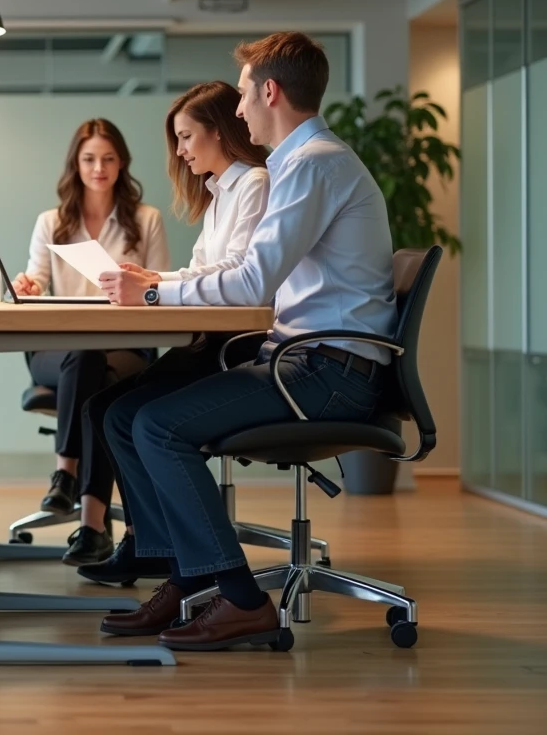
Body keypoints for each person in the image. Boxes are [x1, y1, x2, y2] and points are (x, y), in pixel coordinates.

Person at [95, 32, 397, 651]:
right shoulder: (298, 164)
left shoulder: (312, 165)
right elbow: (246, 274)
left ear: (270, 92)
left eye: (242, 94)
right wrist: (158, 285)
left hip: (327, 372)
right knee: (126, 413)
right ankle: (187, 578)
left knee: (156, 425)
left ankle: (240, 599)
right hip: (306, 361)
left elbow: (253, 281)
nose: (238, 109)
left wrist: (152, 295)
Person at [71, 82, 271, 574]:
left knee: (122, 413)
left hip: (235, 348)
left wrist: (154, 288)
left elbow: (240, 276)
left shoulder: (254, 184)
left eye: (185, 137)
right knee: (102, 407)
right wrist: (154, 277)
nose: (180, 151)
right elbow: (203, 269)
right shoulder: (220, 192)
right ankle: (149, 545)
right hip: (211, 341)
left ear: (218, 132)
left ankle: (160, 551)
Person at [10, 118, 170, 566]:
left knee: (101, 378)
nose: (99, 168)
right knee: (87, 360)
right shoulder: (51, 222)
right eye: (89, 159)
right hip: (58, 351)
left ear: (122, 164)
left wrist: (141, 286)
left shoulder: (147, 220)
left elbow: (163, 289)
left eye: (108, 158)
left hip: (127, 347)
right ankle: (96, 526)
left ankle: (70, 484)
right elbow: (36, 279)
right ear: (75, 165)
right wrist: (29, 286)